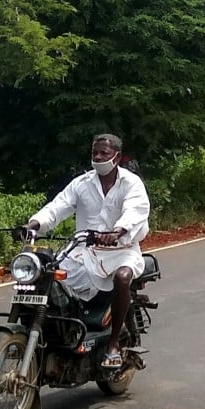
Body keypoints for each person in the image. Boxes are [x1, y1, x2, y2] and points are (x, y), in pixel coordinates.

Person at [14, 133, 150, 369]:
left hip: (122, 250)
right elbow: (57, 207)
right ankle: (63, 330)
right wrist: (32, 225)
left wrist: (117, 231)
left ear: (116, 157)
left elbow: (135, 211)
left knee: (122, 277)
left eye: (103, 153)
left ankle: (113, 344)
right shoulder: (82, 183)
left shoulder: (131, 183)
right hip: (84, 251)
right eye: (95, 153)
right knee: (48, 275)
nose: (98, 157)